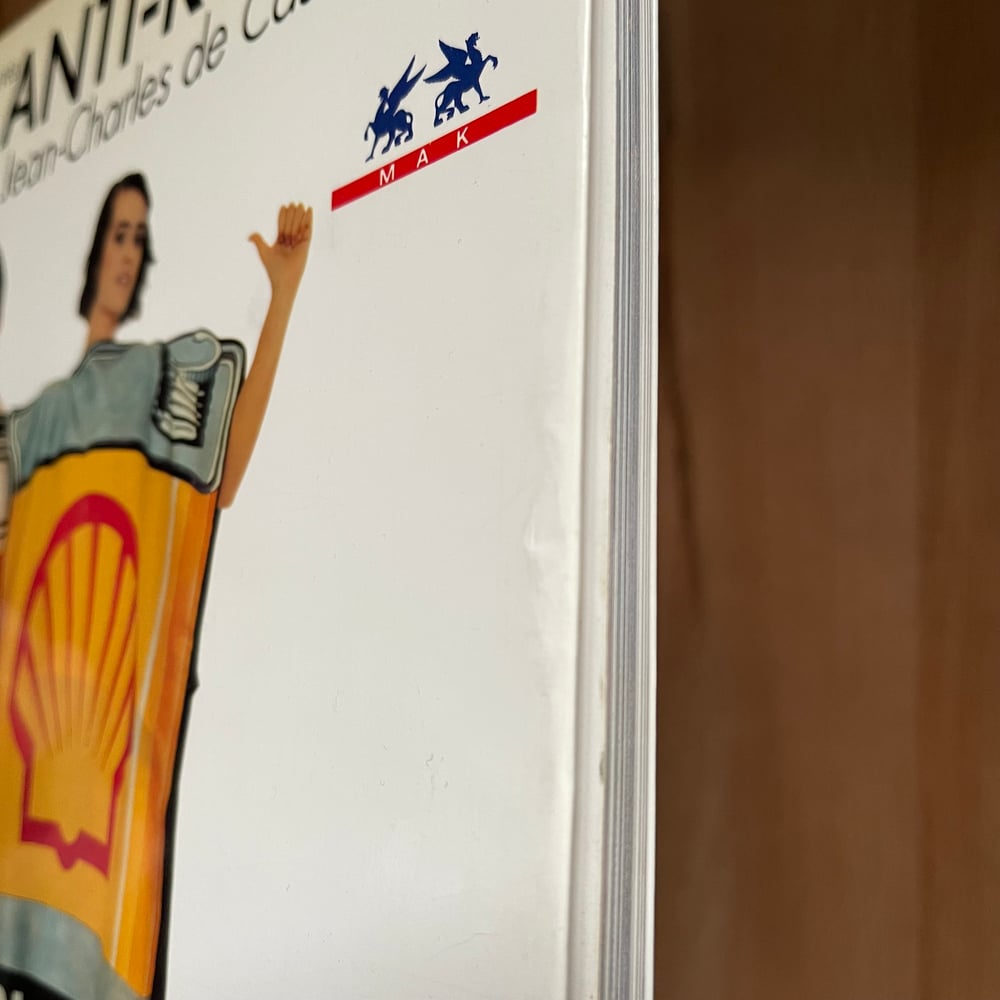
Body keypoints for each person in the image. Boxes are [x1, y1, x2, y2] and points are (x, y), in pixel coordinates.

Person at [0, 173, 311, 1000]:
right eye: (118, 233)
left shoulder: (154, 382)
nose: (128, 252)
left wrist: (281, 300)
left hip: (107, 816)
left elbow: (223, 474)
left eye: (140, 237)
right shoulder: (31, 426)